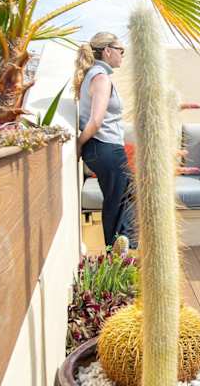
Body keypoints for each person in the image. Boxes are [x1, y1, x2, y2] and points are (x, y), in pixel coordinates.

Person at [75, 32, 135, 255]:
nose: (122, 55)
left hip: (101, 149)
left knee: (116, 200)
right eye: (121, 50)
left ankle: (118, 251)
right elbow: (95, 121)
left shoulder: (92, 75)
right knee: (122, 200)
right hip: (106, 147)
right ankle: (118, 253)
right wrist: (79, 144)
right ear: (108, 51)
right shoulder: (101, 78)